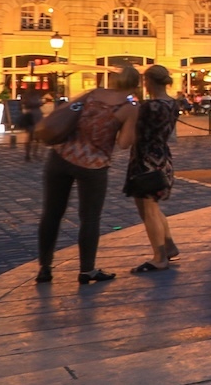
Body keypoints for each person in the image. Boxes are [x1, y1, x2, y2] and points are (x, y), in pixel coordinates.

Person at [36, 66, 140, 285]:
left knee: (52, 213)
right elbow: (123, 143)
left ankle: (44, 267)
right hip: (93, 165)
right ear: (135, 84)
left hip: (61, 156)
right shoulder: (129, 107)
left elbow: (64, 113)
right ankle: (87, 270)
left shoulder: (91, 94)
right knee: (90, 218)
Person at [123, 65, 180, 273]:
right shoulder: (173, 104)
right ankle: (169, 246)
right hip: (163, 158)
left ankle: (160, 257)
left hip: (145, 160)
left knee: (148, 209)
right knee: (151, 208)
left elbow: (130, 136)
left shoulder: (149, 107)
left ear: (149, 82)